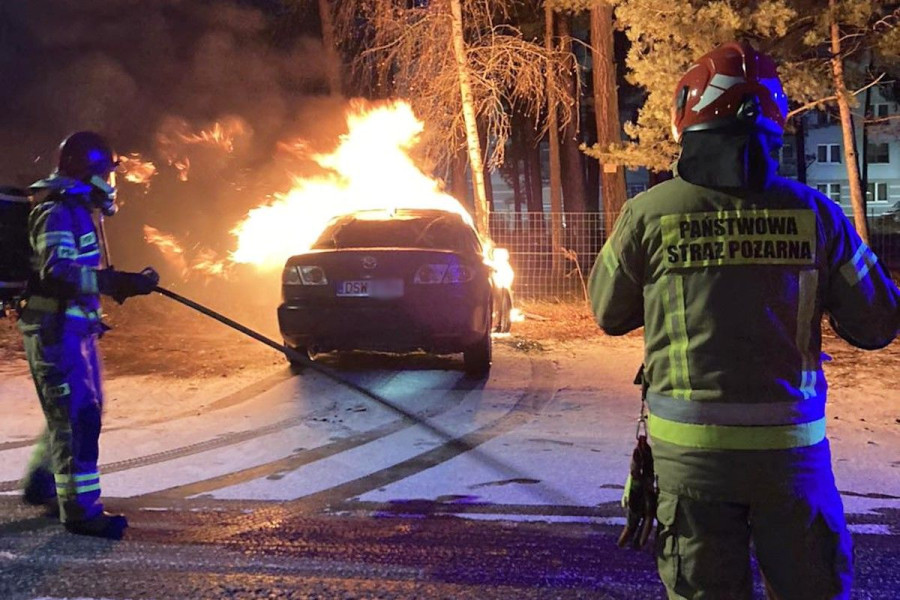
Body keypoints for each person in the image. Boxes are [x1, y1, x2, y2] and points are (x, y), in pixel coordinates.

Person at [589, 41, 899, 599]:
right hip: (792, 462)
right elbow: (877, 322)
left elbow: (608, 312)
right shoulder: (818, 215)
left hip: (691, 465)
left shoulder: (647, 215)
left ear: (686, 115)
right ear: (775, 119)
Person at [19, 131, 160, 539]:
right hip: (56, 331)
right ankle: (81, 511)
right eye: (106, 174)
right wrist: (113, 281)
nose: (111, 183)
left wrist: (124, 283)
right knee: (77, 418)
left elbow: (79, 275)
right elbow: (58, 273)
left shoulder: (80, 210)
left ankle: (44, 481)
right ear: (88, 173)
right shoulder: (57, 212)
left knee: (77, 413)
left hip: (76, 330)